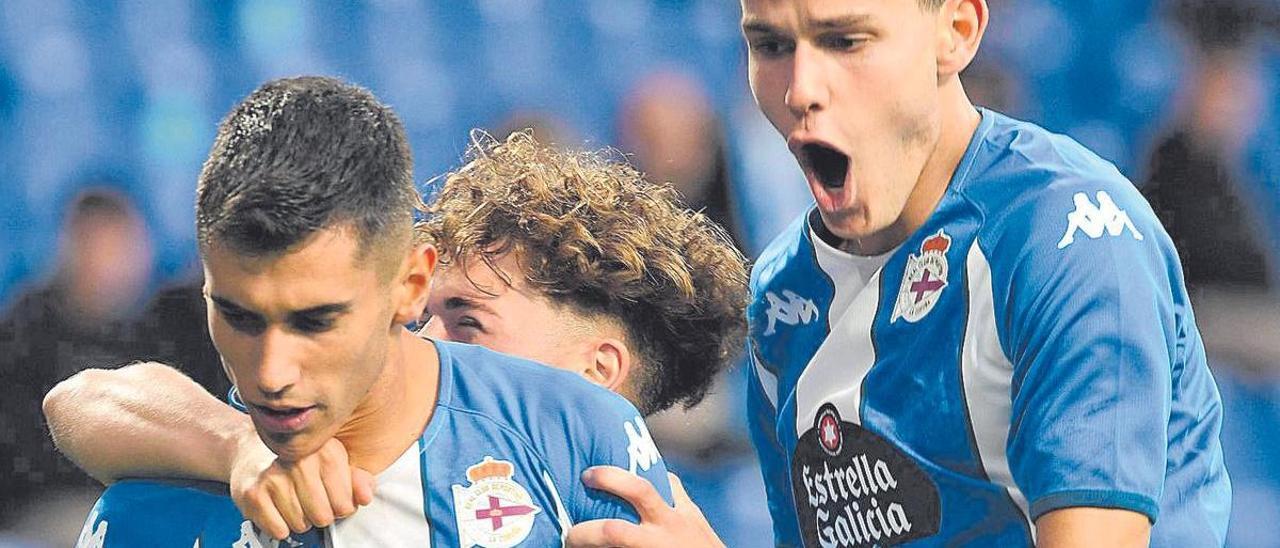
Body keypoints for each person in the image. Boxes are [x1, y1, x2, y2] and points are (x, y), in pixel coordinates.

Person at [565, 1, 1230, 547]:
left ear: (956, 33)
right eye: (769, 45)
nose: (800, 89)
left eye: (846, 40)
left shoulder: (1067, 234)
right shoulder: (780, 297)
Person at [44, 89, 750, 544]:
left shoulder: (588, 459)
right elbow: (83, 400)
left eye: (467, 320)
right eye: (239, 317)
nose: (423, 340)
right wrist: (232, 444)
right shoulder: (191, 480)